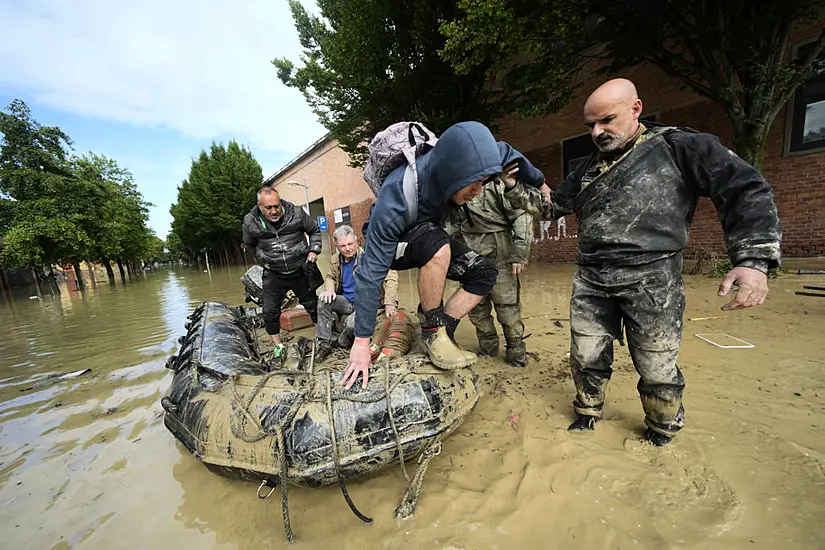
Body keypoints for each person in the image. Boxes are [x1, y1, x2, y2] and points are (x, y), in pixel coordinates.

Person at [505, 78, 782, 445]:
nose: (597, 132)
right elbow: (553, 206)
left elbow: (744, 188)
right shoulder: (590, 166)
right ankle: (587, 412)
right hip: (591, 278)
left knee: (656, 362)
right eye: (590, 125)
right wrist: (512, 187)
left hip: (653, 279)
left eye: (606, 120)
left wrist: (753, 260)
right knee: (585, 354)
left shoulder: (680, 146)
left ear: (636, 109)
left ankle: (662, 429)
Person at [342, 121, 546, 389]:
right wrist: (361, 342)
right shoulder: (395, 199)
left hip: (429, 234)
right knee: (437, 242)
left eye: (484, 182)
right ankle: (432, 329)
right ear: (453, 175)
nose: (478, 192)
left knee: (485, 272)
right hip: (395, 246)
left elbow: (508, 152)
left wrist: (540, 182)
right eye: (474, 184)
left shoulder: (474, 156)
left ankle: (439, 331)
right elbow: (369, 276)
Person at [444, 175, 534, 367]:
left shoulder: (496, 182)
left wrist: (519, 253)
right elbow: (448, 224)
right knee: (475, 307)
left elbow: (521, 213)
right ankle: (488, 348)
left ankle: (516, 351)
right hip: (467, 252)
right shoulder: (453, 187)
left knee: (507, 306)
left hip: (500, 250)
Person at [242, 187, 323, 360]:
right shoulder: (250, 222)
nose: (274, 211)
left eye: (276, 206)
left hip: (300, 268)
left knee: (312, 304)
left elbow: (314, 230)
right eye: (268, 208)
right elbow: (249, 245)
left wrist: (313, 251)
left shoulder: (297, 213)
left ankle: (321, 337)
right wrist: (263, 259)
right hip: (273, 273)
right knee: (269, 311)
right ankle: (278, 346)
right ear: (259, 206)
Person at [315, 224, 399, 362]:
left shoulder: (369, 257)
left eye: (350, 244)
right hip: (347, 302)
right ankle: (324, 343)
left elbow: (391, 277)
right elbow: (330, 276)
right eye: (343, 246)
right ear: (336, 246)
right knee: (323, 301)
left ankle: (340, 342)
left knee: (351, 324)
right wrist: (329, 289)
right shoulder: (335, 260)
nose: (347, 248)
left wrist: (390, 303)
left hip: (366, 304)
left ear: (356, 241)